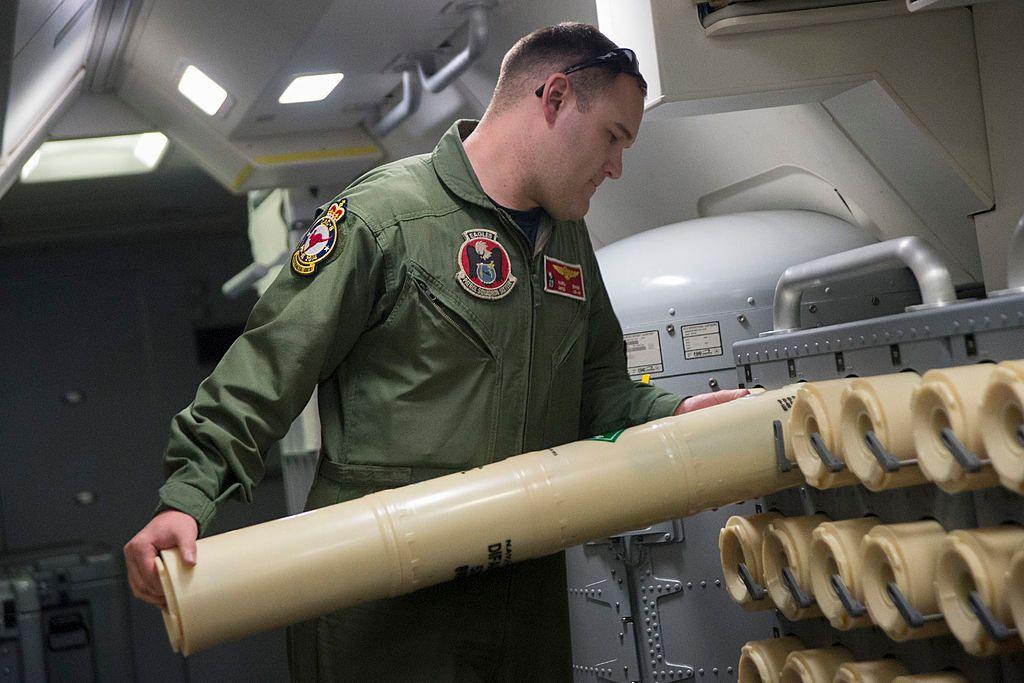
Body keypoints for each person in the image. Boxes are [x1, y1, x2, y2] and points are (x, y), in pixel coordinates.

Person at [124, 22, 747, 681]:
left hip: (520, 590)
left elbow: (598, 390)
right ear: (555, 98)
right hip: (382, 597)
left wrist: (674, 415)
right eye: (613, 137)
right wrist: (186, 497)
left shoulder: (567, 242)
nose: (617, 166)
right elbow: (266, 370)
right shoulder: (387, 217)